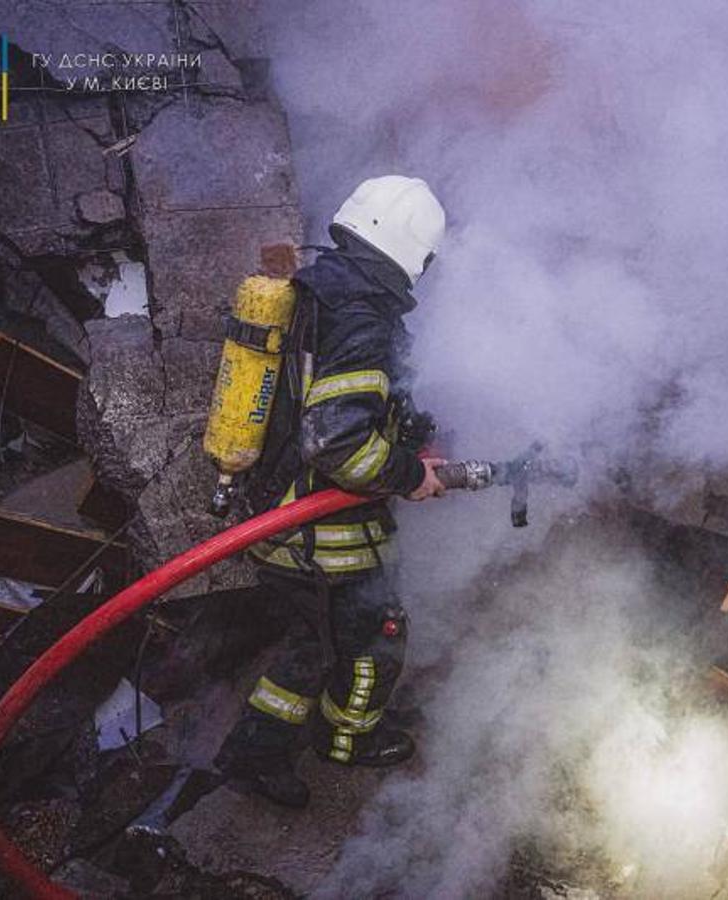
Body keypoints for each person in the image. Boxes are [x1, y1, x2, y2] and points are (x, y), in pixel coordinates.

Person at [214, 175, 449, 808]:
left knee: (310, 647)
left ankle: (259, 753)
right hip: (314, 531)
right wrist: (408, 474)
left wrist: (411, 438)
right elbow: (337, 441)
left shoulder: (322, 290)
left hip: (278, 514)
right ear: (413, 254)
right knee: (373, 636)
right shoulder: (361, 317)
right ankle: (337, 744)